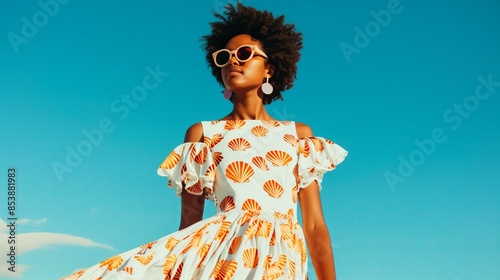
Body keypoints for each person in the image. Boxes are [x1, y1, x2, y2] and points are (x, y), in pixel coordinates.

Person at [62, 3, 347, 279]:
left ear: (269, 69)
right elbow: (189, 224)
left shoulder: (299, 135)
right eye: (223, 57)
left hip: (283, 261)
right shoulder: (202, 134)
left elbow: (313, 225)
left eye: (244, 53)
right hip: (224, 262)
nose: (233, 60)